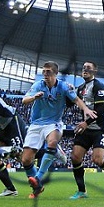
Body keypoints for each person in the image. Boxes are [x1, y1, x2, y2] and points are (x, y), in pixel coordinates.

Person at [22, 61, 97, 199]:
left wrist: (86, 109)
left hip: (54, 123)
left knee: (51, 142)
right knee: (26, 160)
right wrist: (34, 97)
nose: (45, 74)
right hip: (36, 124)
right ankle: (38, 187)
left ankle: (38, 178)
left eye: (48, 71)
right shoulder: (38, 85)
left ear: (55, 73)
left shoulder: (63, 86)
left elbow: (76, 100)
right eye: (43, 71)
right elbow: (24, 100)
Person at [69, 61, 104, 199]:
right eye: (84, 68)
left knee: (97, 160)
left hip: (99, 127)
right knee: (75, 157)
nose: (85, 70)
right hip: (85, 128)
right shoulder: (80, 88)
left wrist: (86, 123)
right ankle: (81, 191)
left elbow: (101, 109)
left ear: (94, 71)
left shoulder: (98, 86)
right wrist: (67, 90)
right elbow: (71, 103)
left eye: (88, 68)